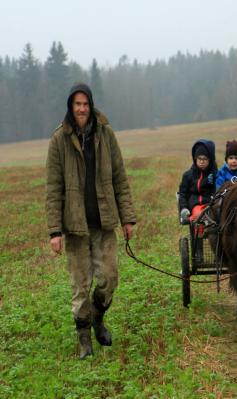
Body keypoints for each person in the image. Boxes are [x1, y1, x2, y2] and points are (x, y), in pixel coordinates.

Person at [46, 83, 136, 360]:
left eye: (85, 104)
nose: (82, 109)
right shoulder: (59, 140)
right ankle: (84, 338)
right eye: (77, 104)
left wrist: (127, 218)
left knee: (109, 279)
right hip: (75, 227)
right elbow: (53, 188)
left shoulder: (106, 134)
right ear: (70, 108)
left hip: (104, 222)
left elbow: (120, 177)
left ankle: (98, 318)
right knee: (80, 286)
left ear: (91, 105)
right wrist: (54, 231)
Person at [178, 139, 217, 230]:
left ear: (210, 160)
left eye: (205, 159)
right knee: (199, 216)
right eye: (199, 159)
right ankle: (198, 240)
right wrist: (184, 208)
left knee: (216, 217)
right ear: (195, 159)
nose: (202, 162)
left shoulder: (215, 174)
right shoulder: (188, 175)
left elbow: (217, 189)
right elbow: (183, 193)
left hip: (211, 204)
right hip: (196, 205)